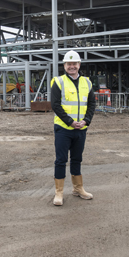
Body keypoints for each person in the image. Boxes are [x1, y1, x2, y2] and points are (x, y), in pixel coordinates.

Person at [50, 50, 96, 206]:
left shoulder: (87, 83)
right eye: (69, 64)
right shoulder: (58, 82)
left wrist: (86, 120)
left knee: (77, 159)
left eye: (74, 64)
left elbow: (91, 104)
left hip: (81, 129)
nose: (72, 66)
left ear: (79, 65)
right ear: (64, 65)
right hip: (63, 129)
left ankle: (78, 188)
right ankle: (59, 193)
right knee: (61, 160)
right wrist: (70, 121)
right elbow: (55, 105)